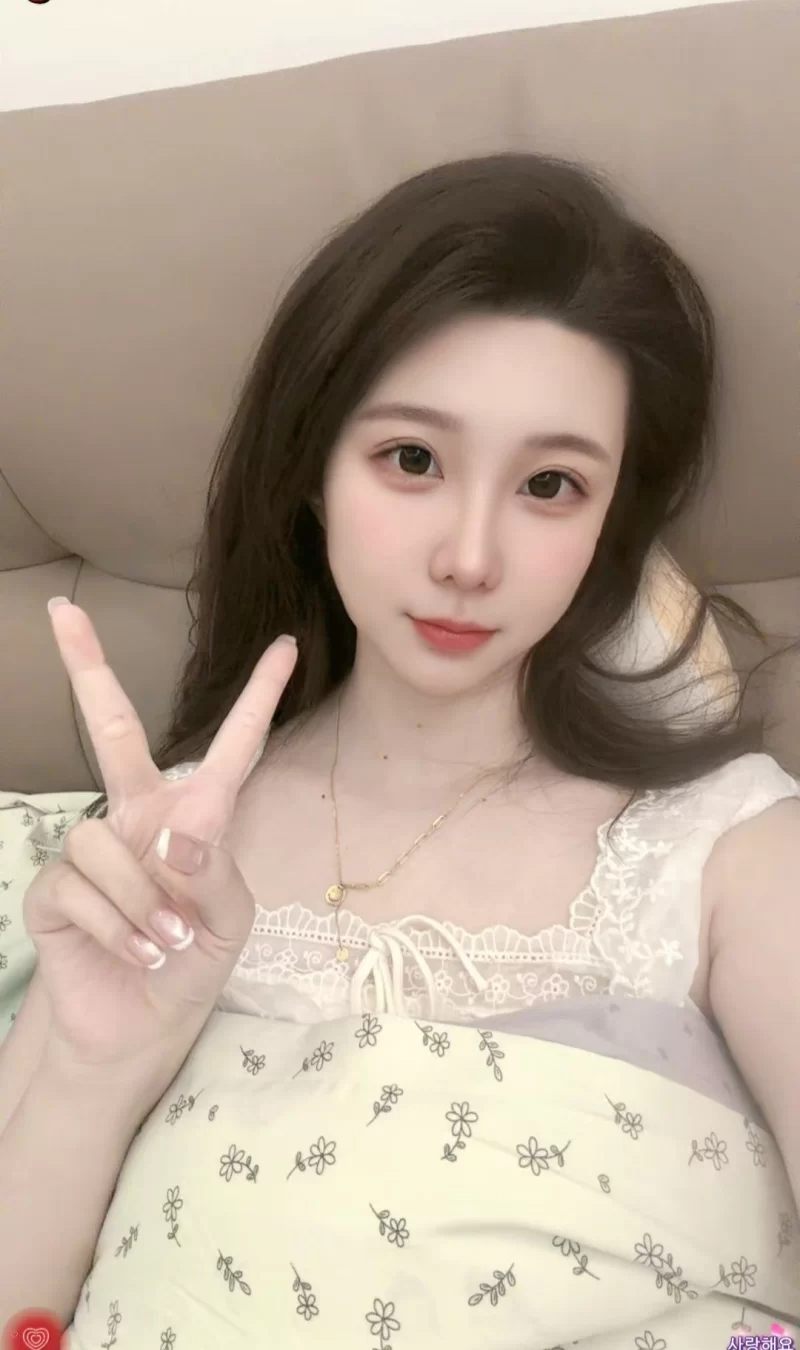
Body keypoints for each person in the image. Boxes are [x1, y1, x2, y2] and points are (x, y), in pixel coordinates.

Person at [0, 151, 798, 1346]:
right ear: (313, 469)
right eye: (412, 460)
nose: (468, 558)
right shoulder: (152, 861)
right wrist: (93, 1064)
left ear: (608, 522)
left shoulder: (728, 853)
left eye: (549, 484)